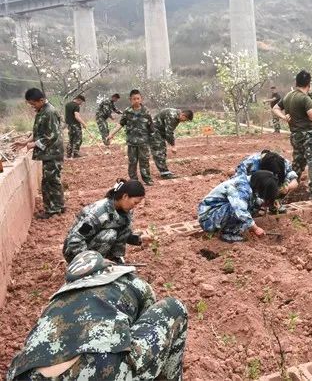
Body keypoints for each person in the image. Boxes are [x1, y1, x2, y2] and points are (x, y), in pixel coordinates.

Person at [6, 250, 188, 381]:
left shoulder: (56, 301)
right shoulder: (131, 282)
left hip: (23, 375)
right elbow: (143, 321)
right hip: (100, 369)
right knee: (174, 308)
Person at [272, 70, 312, 201]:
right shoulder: (305, 99)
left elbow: (275, 108)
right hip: (307, 136)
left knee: (298, 163)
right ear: (309, 84)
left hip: (295, 136)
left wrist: (284, 117)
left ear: (296, 82)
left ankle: (287, 189)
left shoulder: (288, 96)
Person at [63, 179, 146, 263]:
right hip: (75, 253)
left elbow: (124, 235)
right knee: (110, 233)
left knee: (124, 229)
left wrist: (140, 239)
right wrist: (94, 261)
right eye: (135, 202)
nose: (135, 206)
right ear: (125, 196)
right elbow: (75, 240)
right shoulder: (97, 213)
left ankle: (114, 260)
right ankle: (95, 265)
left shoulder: (125, 212)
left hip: (93, 248)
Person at [12, 88, 65, 219]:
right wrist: (26, 142)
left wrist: (34, 144)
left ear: (41, 100)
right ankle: (58, 206)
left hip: (53, 152)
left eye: (33, 104)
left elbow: (52, 135)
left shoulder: (49, 112)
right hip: (50, 152)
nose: (32, 107)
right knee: (51, 180)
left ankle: (53, 210)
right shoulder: (42, 111)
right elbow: (39, 131)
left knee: (50, 181)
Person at [198, 170, 279, 243]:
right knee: (238, 209)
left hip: (217, 212)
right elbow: (240, 210)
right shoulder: (241, 189)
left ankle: (232, 228)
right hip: (208, 218)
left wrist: (265, 202)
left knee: (252, 205)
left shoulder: (249, 182)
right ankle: (228, 234)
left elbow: (253, 199)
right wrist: (256, 228)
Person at [107, 89, 155, 185]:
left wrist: (153, 140)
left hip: (143, 142)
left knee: (144, 161)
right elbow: (121, 124)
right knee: (132, 162)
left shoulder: (146, 111)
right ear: (130, 100)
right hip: (131, 142)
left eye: (138, 98)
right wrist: (111, 133)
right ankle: (133, 181)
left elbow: (151, 127)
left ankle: (147, 179)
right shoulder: (127, 112)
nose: (136, 101)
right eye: (134, 99)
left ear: (141, 99)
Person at [233, 149, 299, 213]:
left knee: (284, 182)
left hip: (265, 190)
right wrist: (257, 200)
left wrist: (287, 187)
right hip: (252, 190)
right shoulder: (249, 163)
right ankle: (254, 206)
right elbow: (237, 184)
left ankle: (274, 203)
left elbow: (294, 181)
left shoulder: (282, 162)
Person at [149, 108, 194, 179]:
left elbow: (169, 131)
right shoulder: (172, 116)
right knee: (159, 151)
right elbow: (169, 133)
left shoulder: (177, 115)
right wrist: (173, 146)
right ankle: (165, 173)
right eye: (185, 120)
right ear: (183, 115)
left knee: (162, 150)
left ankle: (164, 172)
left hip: (159, 131)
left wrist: (172, 142)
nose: (184, 122)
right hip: (154, 131)